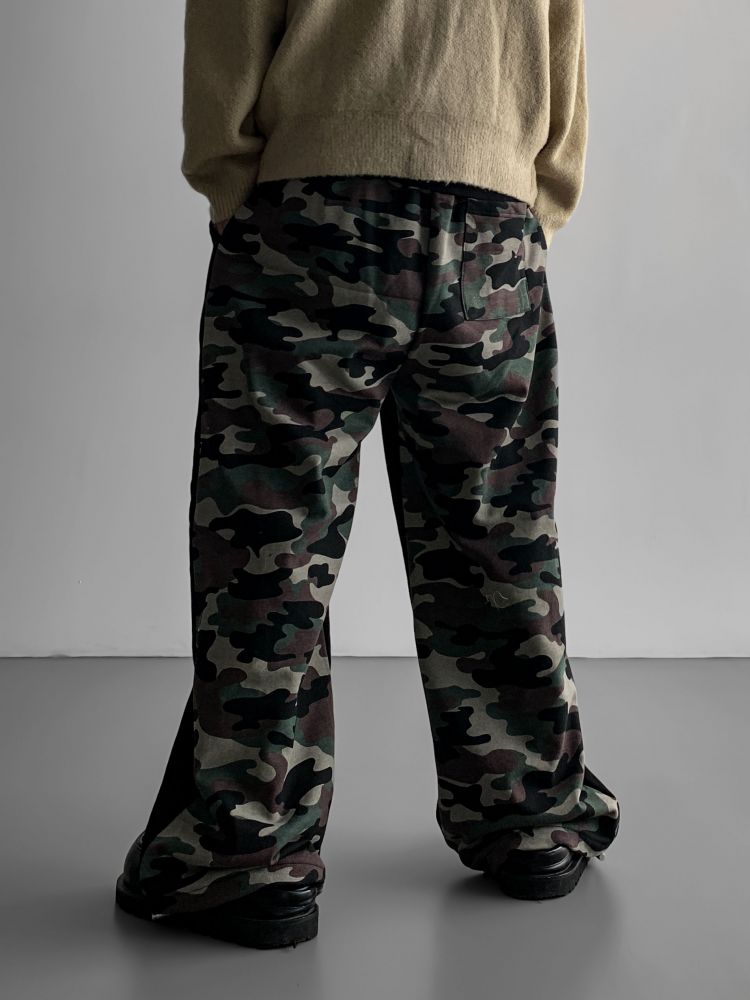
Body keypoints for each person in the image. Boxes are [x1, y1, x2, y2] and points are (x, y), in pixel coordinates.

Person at [115, 0, 620, 949]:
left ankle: (248, 857)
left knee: (270, 549)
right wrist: (526, 203)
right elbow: (561, 41)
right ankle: (531, 819)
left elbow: (229, 32)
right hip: (494, 221)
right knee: (496, 535)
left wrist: (235, 188)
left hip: (312, 211)